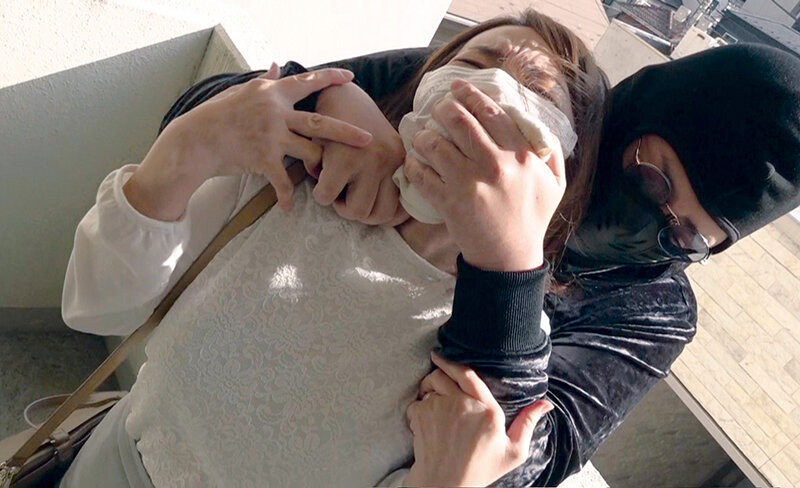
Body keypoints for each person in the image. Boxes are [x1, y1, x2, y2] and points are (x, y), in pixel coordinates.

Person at [58, 10, 608, 487]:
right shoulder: (298, 177)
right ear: (426, 81)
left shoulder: (500, 347)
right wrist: (187, 144)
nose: (485, 95)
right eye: (474, 62)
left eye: (534, 93)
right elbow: (97, 305)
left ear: (562, 169)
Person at [277, 42, 798, 486]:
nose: (645, 227)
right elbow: (260, 99)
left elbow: (529, 461)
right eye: (651, 179)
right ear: (640, 110)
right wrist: (327, 107)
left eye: (685, 237)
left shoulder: (654, 309)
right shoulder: (527, 102)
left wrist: (508, 269)